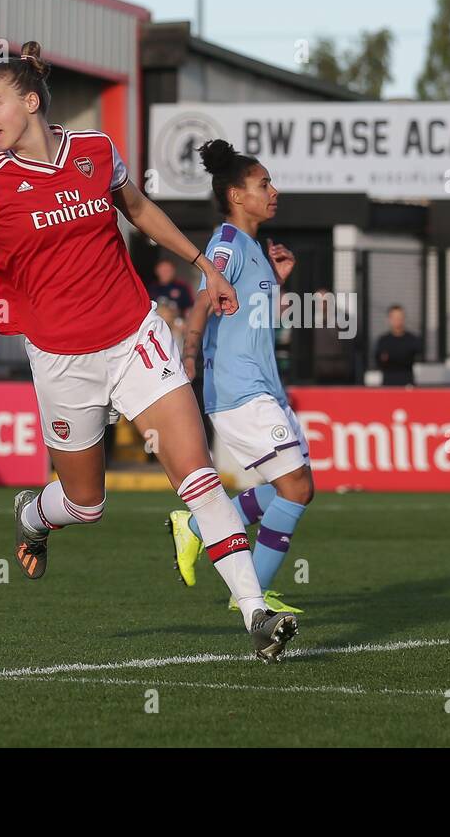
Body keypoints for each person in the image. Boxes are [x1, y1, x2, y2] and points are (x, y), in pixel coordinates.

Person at [0, 41, 297, 662]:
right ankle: (36, 515)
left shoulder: (95, 151)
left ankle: (255, 615)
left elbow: (139, 209)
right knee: (87, 504)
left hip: (135, 335)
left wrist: (205, 266)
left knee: (197, 475)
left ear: (30, 101)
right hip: (64, 361)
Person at [170, 139, 312, 615]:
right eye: (263, 184)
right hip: (239, 389)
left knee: (289, 484)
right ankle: (252, 594)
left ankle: (193, 529)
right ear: (236, 195)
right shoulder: (227, 243)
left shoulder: (252, 248)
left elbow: (243, 312)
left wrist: (277, 280)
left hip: (264, 388)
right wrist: (189, 358)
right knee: (297, 487)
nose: (274, 191)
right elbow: (205, 298)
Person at [373, 304, 421, 386]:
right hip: (388, 383)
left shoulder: (412, 339)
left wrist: (392, 357)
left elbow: (414, 357)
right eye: (394, 317)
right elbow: (379, 361)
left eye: (399, 317)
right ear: (389, 319)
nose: (397, 320)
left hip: (407, 383)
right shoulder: (383, 340)